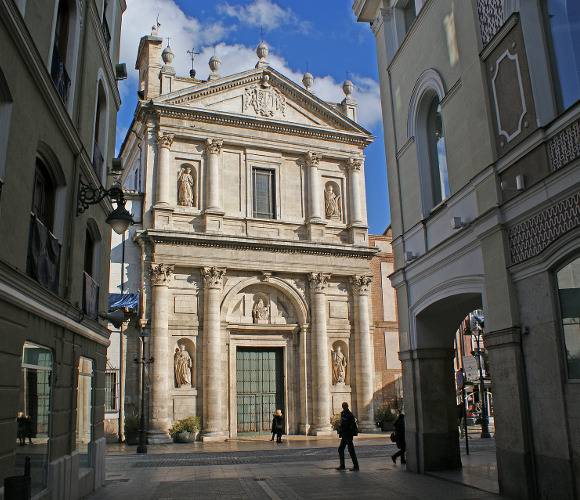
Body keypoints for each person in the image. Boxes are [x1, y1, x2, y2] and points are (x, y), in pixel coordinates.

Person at [336, 402, 359, 471]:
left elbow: (350, 425)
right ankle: (343, 465)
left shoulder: (349, 414)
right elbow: (343, 424)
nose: (343, 407)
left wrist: (344, 429)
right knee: (341, 449)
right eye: (343, 406)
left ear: (347, 406)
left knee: (350, 450)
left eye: (344, 406)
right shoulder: (343, 413)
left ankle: (355, 466)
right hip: (344, 435)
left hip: (348, 435)